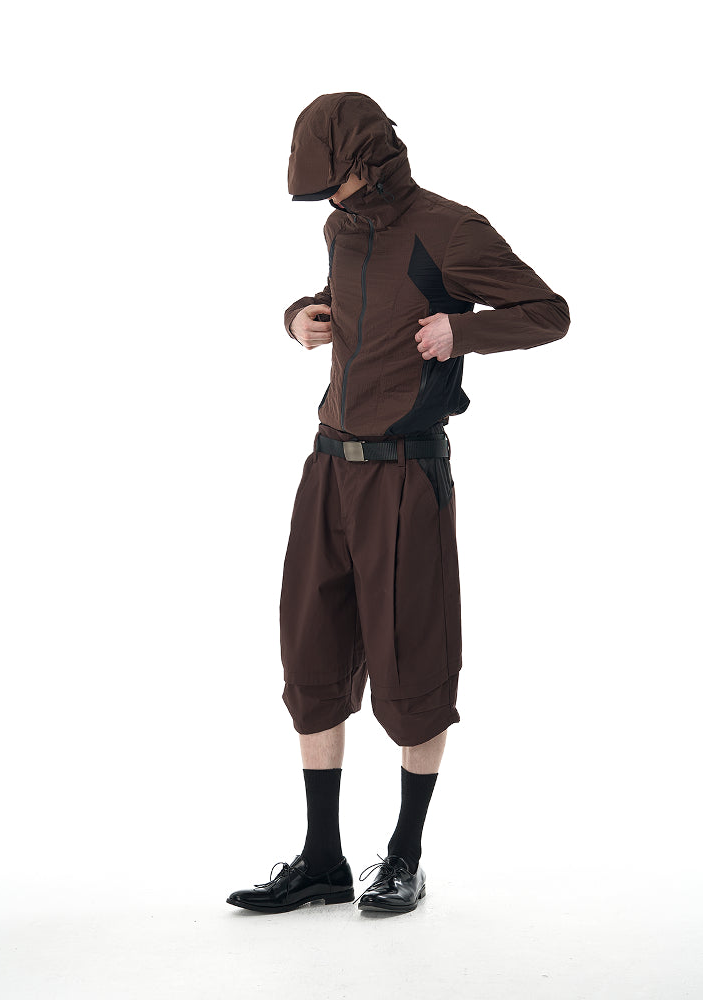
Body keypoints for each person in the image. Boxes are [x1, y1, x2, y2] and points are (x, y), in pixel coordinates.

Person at [226, 92, 570, 916]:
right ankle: (322, 861)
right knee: (311, 657)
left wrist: (463, 331)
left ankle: (406, 856)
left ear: (368, 161)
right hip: (327, 468)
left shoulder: (449, 229)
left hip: (407, 475)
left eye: (336, 183)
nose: (332, 200)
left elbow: (549, 313)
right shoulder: (342, 227)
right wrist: (298, 317)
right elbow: (352, 295)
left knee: (413, 664)